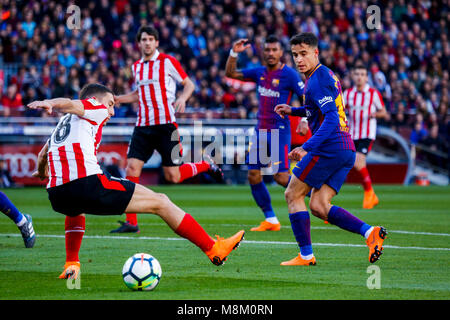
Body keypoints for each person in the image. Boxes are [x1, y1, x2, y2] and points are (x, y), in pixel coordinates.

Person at [28, 83, 244, 279]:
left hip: (57, 195)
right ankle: (213, 249)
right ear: (95, 99)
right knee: (161, 201)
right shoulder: (93, 107)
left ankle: (71, 264)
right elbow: (69, 103)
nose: (112, 111)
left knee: (75, 209)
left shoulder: (62, 126)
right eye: (110, 104)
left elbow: (42, 155)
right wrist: (50, 103)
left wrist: (41, 173)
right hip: (87, 184)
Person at [274, 33, 387, 266]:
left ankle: (306, 255)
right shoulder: (322, 75)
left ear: (316, 52)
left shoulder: (316, 80)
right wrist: (293, 111)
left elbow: (332, 119)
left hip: (330, 146)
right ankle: (370, 232)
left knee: (292, 194)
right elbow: (316, 110)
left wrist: (306, 147)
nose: (299, 59)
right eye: (295, 55)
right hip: (346, 148)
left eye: (304, 54)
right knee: (318, 205)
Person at [111, 26, 223, 233]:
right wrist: (119, 99)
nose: (147, 42)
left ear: (156, 43)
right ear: (139, 43)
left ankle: (206, 165)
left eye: (150, 39)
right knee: (131, 170)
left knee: (173, 176)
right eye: (143, 39)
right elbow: (139, 93)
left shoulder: (167, 62)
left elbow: (189, 84)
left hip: (165, 126)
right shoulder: (136, 67)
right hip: (142, 126)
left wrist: (182, 97)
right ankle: (132, 222)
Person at [225, 35, 304, 232]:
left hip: (279, 130)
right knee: (253, 174)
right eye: (267, 50)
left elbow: (306, 97)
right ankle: (271, 219)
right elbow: (231, 73)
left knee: (280, 177)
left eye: (274, 50)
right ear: (263, 51)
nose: (270, 53)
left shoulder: (290, 75)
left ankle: (317, 196)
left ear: (281, 52)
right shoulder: (259, 72)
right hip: (260, 131)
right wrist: (234, 52)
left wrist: (304, 119)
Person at [343, 64, 387, 209]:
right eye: (357, 74)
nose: (359, 77)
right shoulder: (348, 94)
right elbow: (340, 110)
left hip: (367, 134)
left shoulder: (373, 94)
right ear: (353, 76)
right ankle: (370, 193)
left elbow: (384, 112)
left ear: (367, 77)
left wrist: (375, 114)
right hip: (351, 134)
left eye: (362, 74)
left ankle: (369, 193)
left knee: (358, 161)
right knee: (342, 163)